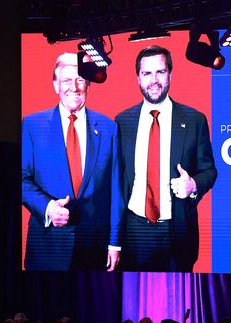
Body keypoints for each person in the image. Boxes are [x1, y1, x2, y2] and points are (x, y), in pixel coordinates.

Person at [115, 45, 217, 272]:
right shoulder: (122, 122)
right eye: (146, 73)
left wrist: (193, 185)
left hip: (178, 230)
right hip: (135, 231)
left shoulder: (194, 120)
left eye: (160, 72)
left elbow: (209, 171)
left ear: (170, 74)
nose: (154, 80)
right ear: (138, 79)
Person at [22, 52, 123, 271]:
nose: (74, 87)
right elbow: (21, 180)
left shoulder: (109, 128)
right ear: (55, 85)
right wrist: (47, 207)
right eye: (67, 80)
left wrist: (115, 242)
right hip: (47, 246)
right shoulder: (32, 125)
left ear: (88, 84)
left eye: (80, 80)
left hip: (94, 247)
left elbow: (116, 191)